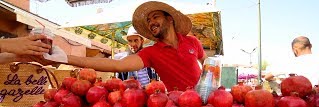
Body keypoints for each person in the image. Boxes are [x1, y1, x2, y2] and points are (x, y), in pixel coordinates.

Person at [39, 1, 208, 91]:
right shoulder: (151, 53)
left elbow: (206, 64)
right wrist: (66, 58)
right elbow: (117, 64)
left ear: (170, 19)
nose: (151, 23)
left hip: (207, 101)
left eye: (155, 17)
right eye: (148, 21)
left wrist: (210, 85)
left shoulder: (192, 42)